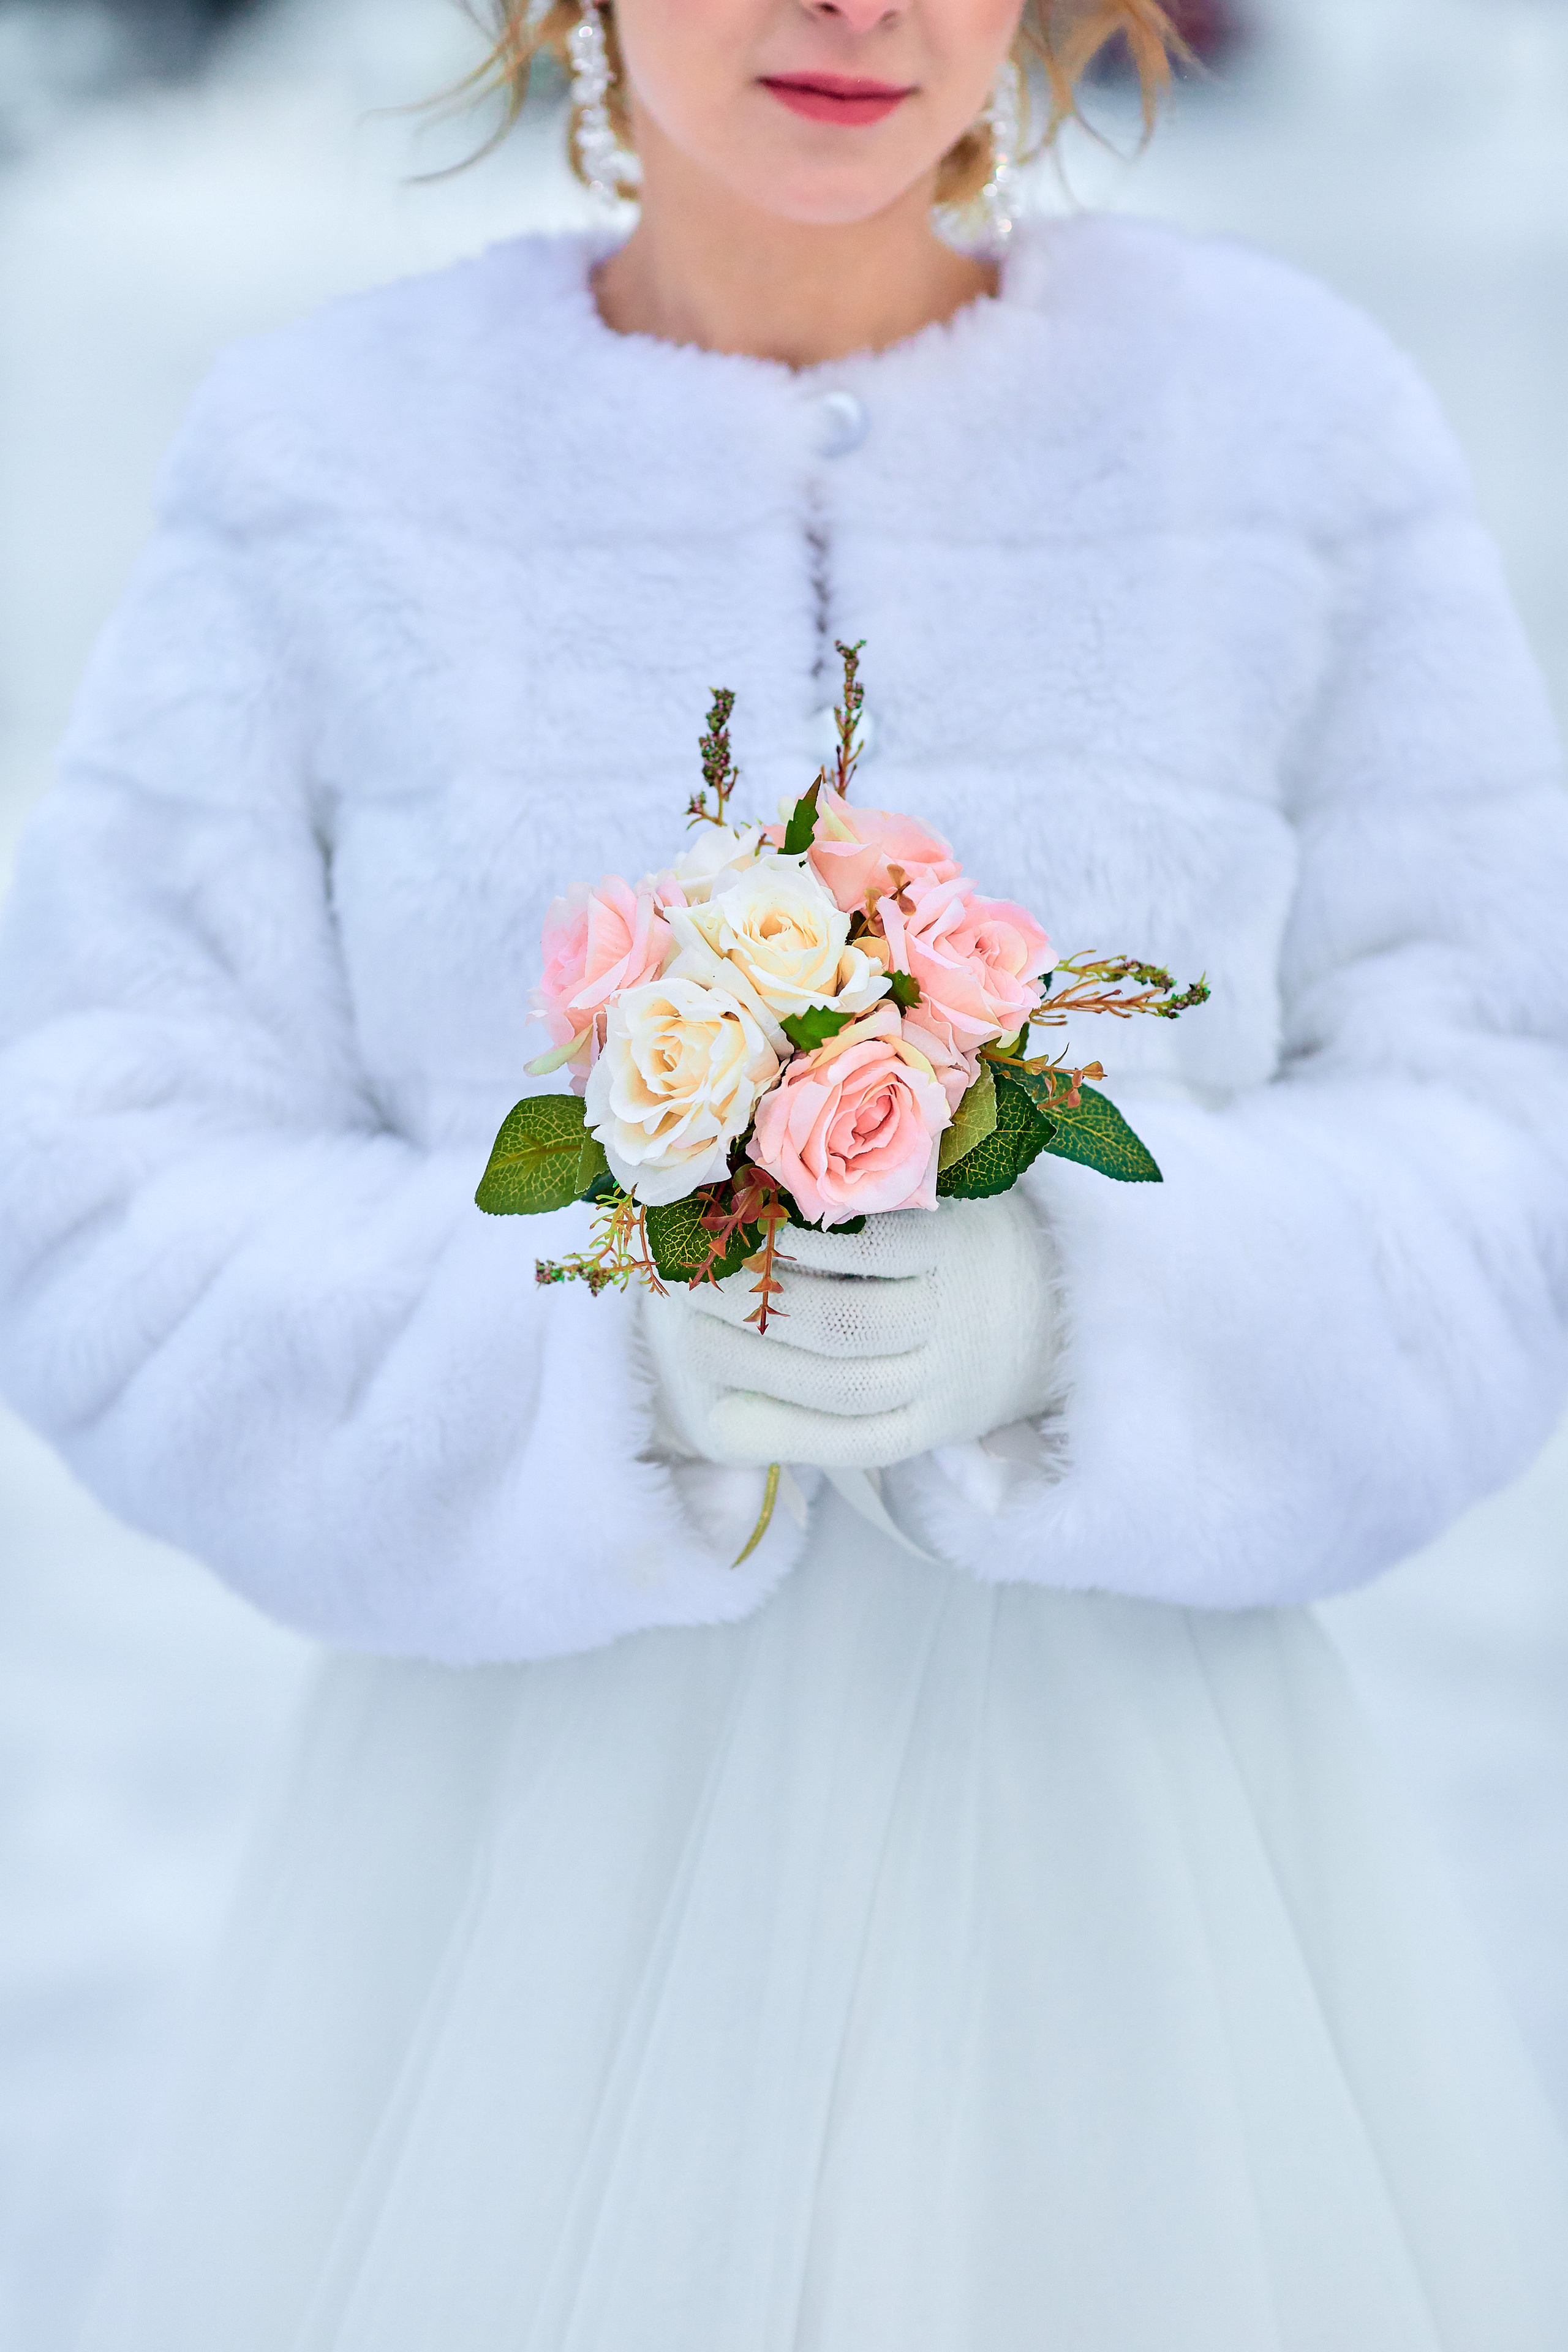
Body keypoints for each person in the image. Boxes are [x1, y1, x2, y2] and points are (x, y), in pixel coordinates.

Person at [2, 1, 1568, 2344]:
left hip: (1144, 1896)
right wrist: (579, 1365)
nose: (858, 9)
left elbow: (1506, 1117)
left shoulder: (1292, 435)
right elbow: (97, 1173)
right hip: (522, 1894)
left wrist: (1077, 1315)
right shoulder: (322, 466)